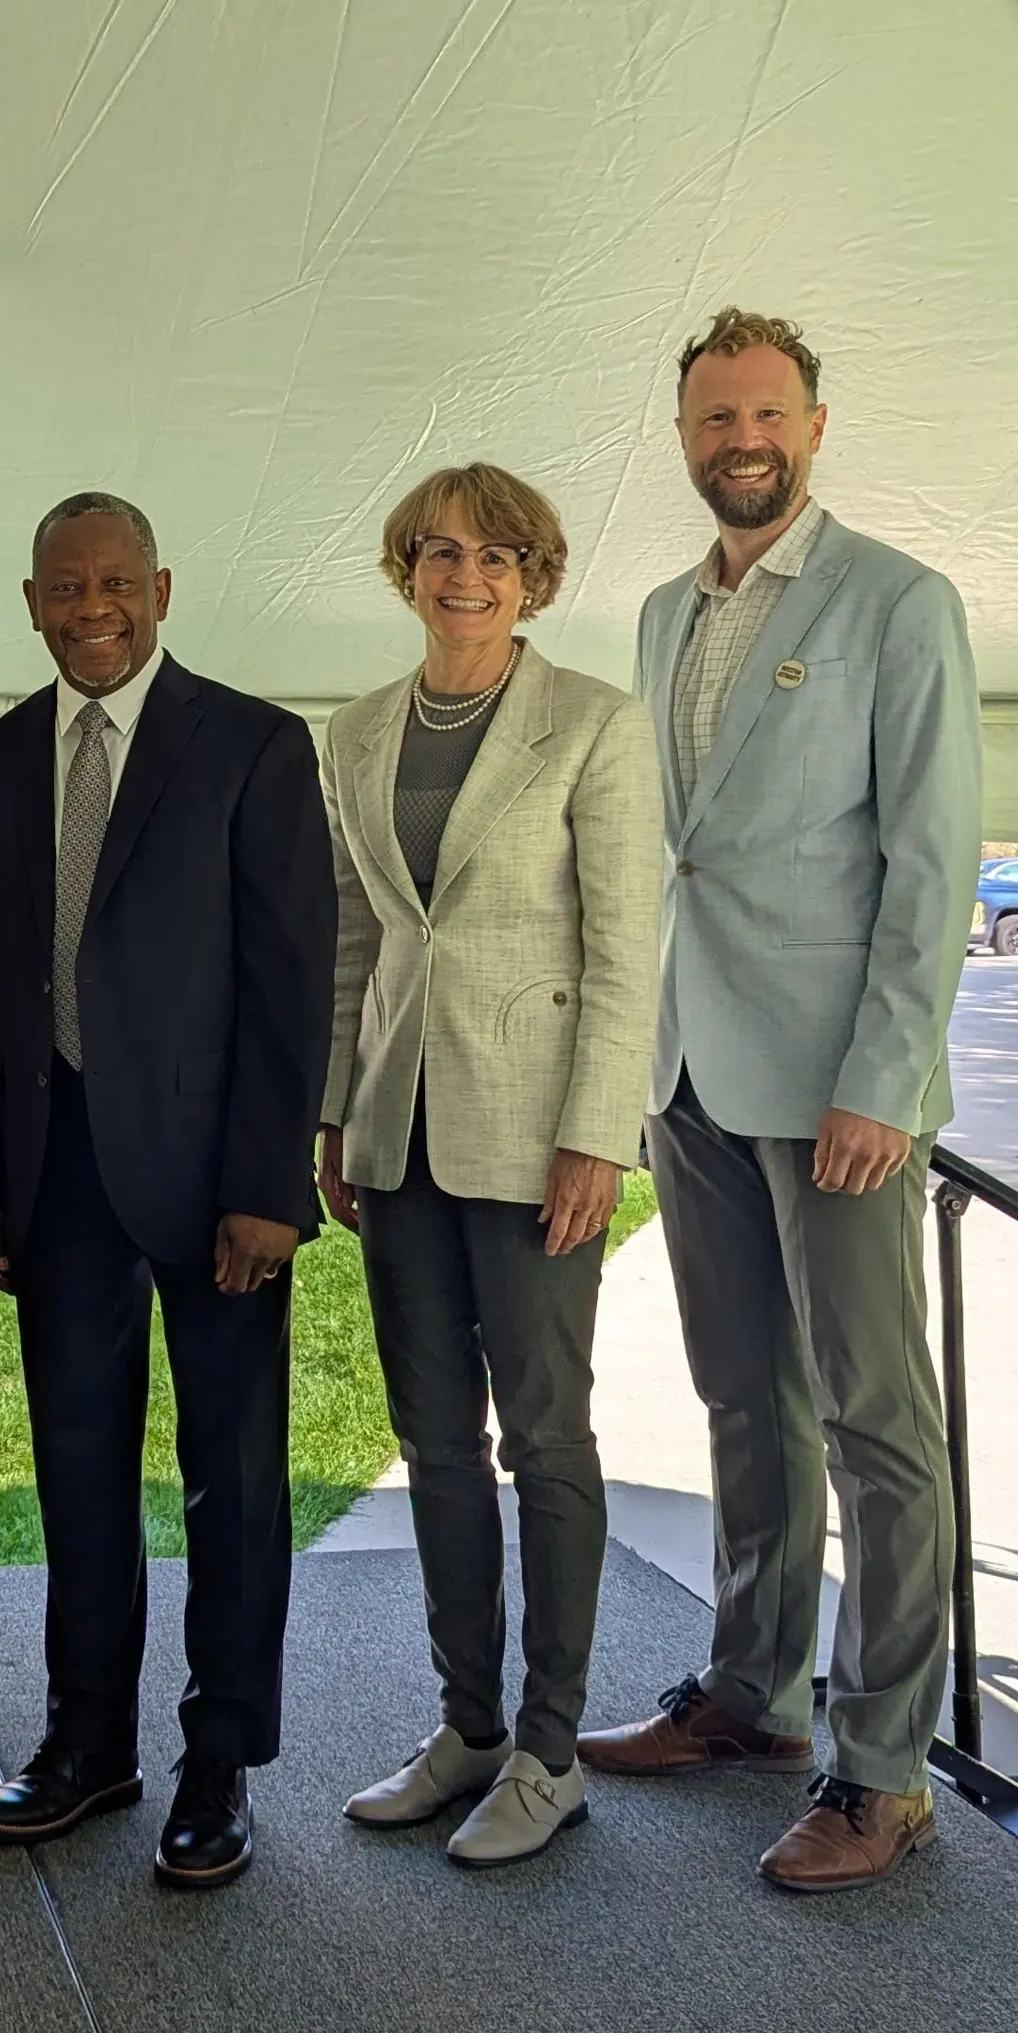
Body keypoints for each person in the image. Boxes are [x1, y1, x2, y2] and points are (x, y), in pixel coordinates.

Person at [581, 307, 979, 1893]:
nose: (736, 436)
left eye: (763, 412)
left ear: (815, 424)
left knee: (879, 1421)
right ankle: (754, 1692)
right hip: (690, 1066)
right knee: (744, 1395)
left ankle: (882, 1768)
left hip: (837, 1091)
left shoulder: (901, 602)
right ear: (683, 437)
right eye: (708, 416)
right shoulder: (668, 614)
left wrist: (886, 1073)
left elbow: (934, 858)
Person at [0, 494, 336, 1891]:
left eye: (117, 580)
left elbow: (292, 985)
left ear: (161, 588)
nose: (92, 604)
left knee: (232, 1476)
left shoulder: (253, 744)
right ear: (33, 600)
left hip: (216, 1185)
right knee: (76, 1474)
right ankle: (87, 1743)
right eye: (66, 584)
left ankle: (219, 1762)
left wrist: (269, 1185)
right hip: (54, 1184)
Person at [320, 465, 660, 1868]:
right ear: (405, 569)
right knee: (435, 1443)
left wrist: (597, 1131)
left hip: (535, 1138)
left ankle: (551, 1746)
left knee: (548, 1436)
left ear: (537, 575)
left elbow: (627, 946)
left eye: (498, 554)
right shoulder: (349, 734)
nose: (467, 575)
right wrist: (338, 1111)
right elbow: (356, 940)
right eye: (441, 551)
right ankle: (466, 1727)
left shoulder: (596, 725)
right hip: (397, 1130)